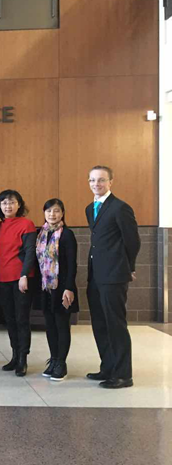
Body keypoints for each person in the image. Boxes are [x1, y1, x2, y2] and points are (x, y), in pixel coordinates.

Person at [86, 165, 140, 389]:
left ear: (110, 182)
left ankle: (123, 374)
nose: (96, 184)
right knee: (100, 323)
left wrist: (129, 267)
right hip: (96, 275)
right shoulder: (90, 208)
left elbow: (133, 241)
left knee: (115, 324)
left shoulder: (120, 207)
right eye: (92, 180)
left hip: (114, 275)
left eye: (101, 180)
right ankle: (107, 367)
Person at [0, 189, 36, 377]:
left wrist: (24, 275)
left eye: (12, 202)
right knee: (9, 319)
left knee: (21, 319)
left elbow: (30, 251)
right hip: (2, 279)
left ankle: (23, 359)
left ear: (19, 205)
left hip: (21, 279)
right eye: (4, 203)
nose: (8, 206)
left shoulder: (27, 224)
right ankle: (14, 355)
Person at [36, 198, 78, 381]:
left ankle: (61, 363)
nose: (52, 214)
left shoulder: (67, 235)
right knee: (50, 326)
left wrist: (69, 288)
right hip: (46, 287)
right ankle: (53, 360)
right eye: (49, 211)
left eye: (56, 211)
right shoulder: (41, 233)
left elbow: (72, 264)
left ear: (62, 213)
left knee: (62, 325)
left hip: (62, 287)